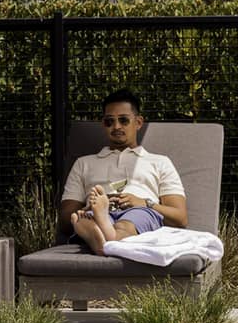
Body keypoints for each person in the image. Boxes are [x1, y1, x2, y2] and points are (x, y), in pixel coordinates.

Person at [59, 88, 188, 254]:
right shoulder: (84, 163)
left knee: (129, 221)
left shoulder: (159, 162)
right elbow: (64, 220)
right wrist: (88, 207)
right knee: (87, 216)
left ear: (139, 122)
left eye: (124, 120)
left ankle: (100, 235)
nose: (116, 126)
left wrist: (144, 203)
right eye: (109, 121)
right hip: (96, 210)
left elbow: (180, 218)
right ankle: (101, 227)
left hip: (140, 211)